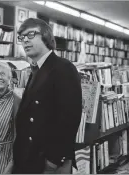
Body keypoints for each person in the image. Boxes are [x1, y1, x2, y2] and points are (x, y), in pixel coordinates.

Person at [12, 18, 82, 174]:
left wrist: (54, 161)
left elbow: (70, 118)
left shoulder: (63, 68)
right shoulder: (37, 69)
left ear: (46, 36)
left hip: (48, 161)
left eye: (30, 34)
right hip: (30, 157)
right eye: (21, 37)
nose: (25, 41)